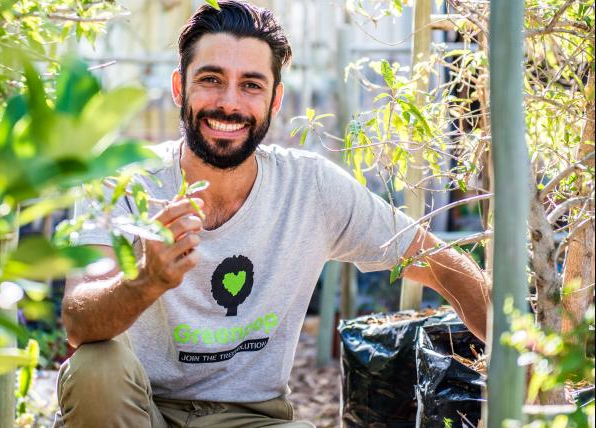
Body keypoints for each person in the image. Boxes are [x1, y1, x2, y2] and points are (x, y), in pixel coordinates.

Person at [55, 1, 490, 427]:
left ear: (275, 100)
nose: (229, 103)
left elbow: (437, 262)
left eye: (251, 85)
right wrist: (143, 281)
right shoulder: (123, 179)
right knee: (97, 366)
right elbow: (78, 320)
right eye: (210, 79)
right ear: (178, 87)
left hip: (250, 418)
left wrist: (521, 351)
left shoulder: (310, 188)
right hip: (139, 407)